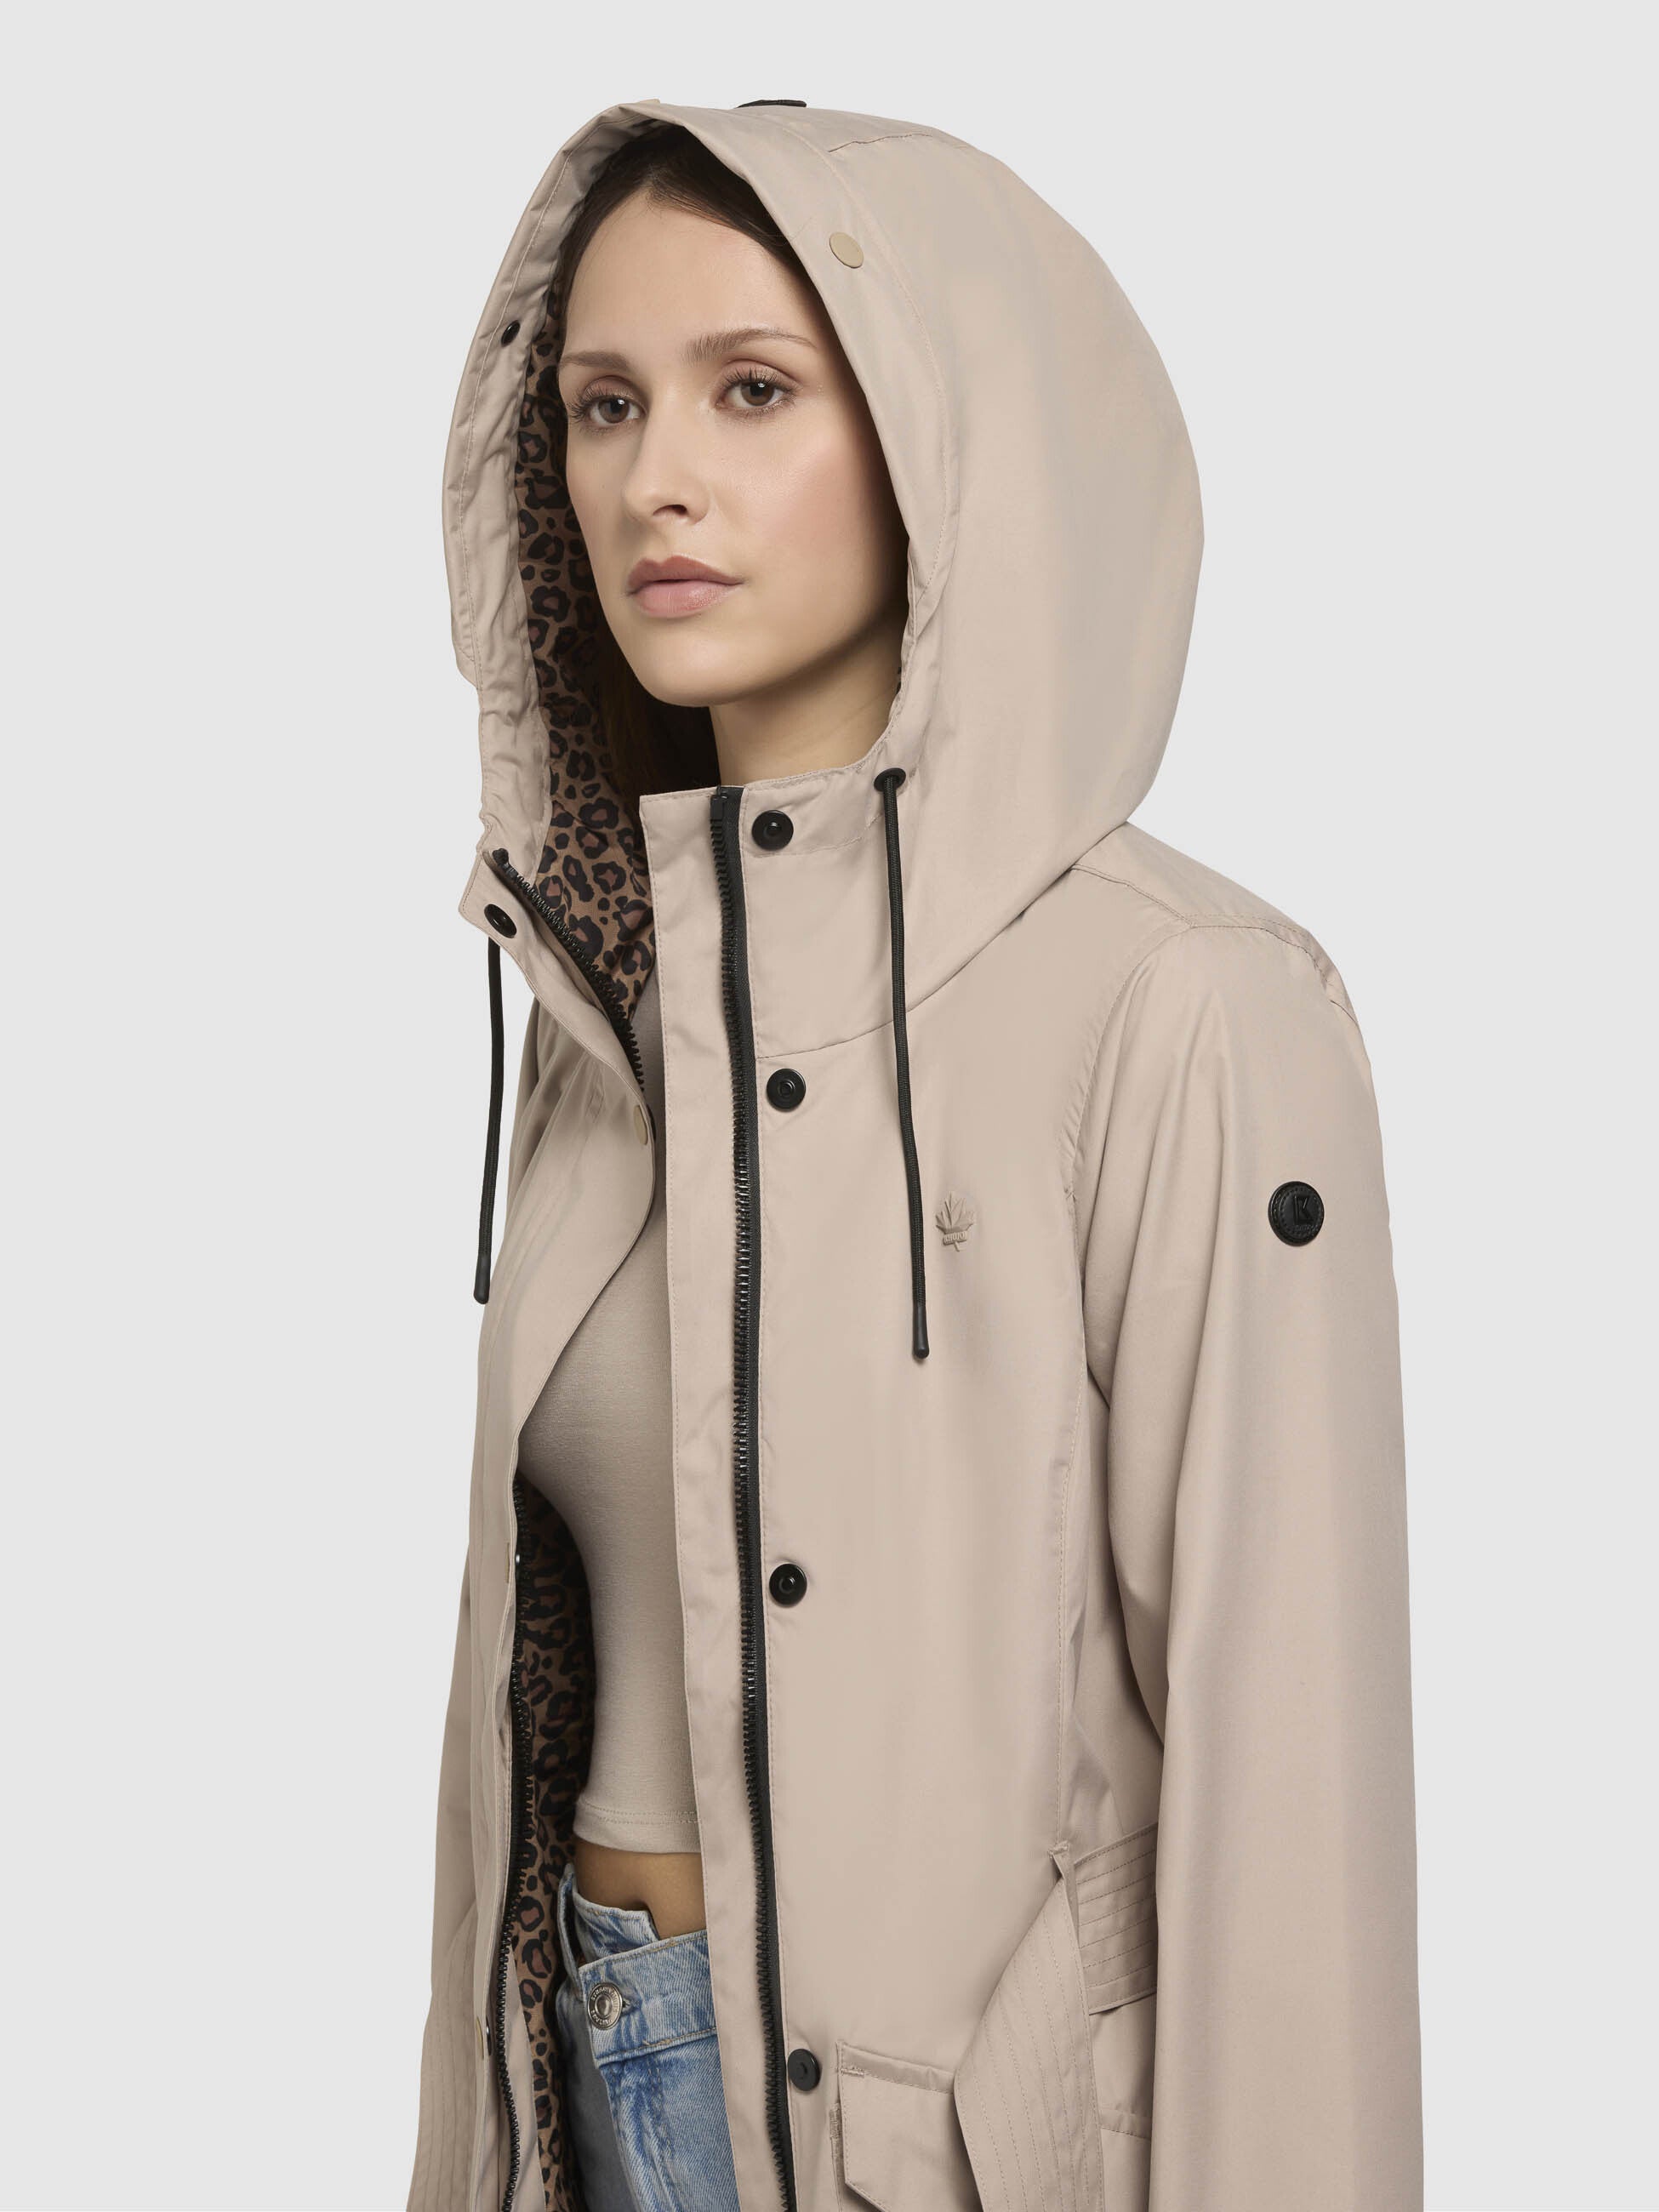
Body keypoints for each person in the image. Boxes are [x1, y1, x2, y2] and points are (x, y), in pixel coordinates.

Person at [408, 100, 1423, 2212]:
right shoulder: (603, 1008)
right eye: (604, 404)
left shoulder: (1188, 1005)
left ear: (942, 437)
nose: (654, 479)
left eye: (753, 389)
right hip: (598, 2070)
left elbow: (1290, 1793)